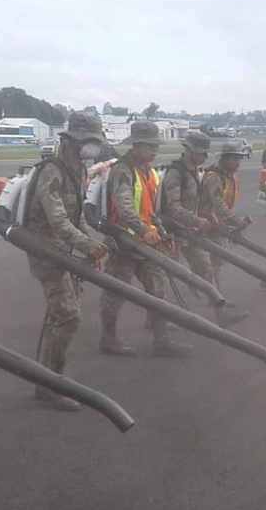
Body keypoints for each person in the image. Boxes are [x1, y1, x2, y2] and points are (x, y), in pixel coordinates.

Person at [22, 113, 109, 411]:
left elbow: (76, 219)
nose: (93, 147)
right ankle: (50, 385)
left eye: (95, 142)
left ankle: (47, 378)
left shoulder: (77, 171)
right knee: (68, 317)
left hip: (64, 250)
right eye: (89, 141)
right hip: (46, 252)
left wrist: (90, 247)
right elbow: (58, 221)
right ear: (71, 140)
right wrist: (86, 245)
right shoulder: (53, 172)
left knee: (61, 318)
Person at [98, 120, 191, 357]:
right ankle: (108, 339)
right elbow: (124, 206)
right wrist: (143, 231)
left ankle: (161, 340)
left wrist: (159, 231)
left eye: (155, 145)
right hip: (124, 243)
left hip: (146, 241)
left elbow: (150, 210)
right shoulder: (123, 170)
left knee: (158, 288)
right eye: (150, 146)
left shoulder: (149, 172)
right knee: (115, 294)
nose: (155, 150)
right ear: (136, 145)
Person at [161, 131, 247, 327]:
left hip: (189, 231)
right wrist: (196, 220)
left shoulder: (194, 172)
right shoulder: (176, 173)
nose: (203, 157)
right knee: (163, 277)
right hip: (172, 231)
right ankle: (158, 318)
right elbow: (173, 207)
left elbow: (198, 203)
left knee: (206, 270)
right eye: (200, 153)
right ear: (189, 150)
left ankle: (221, 314)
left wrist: (201, 220)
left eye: (205, 154)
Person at [201, 140, 253, 294]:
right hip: (205, 223)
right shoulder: (214, 177)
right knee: (208, 261)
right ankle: (214, 295)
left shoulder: (230, 176)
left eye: (239, 159)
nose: (238, 163)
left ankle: (214, 292)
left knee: (216, 261)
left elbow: (227, 204)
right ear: (225, 158)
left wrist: (230, 224)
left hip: (218, 224)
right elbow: (218, 204)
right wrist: (236, 221)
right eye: (235, 159)